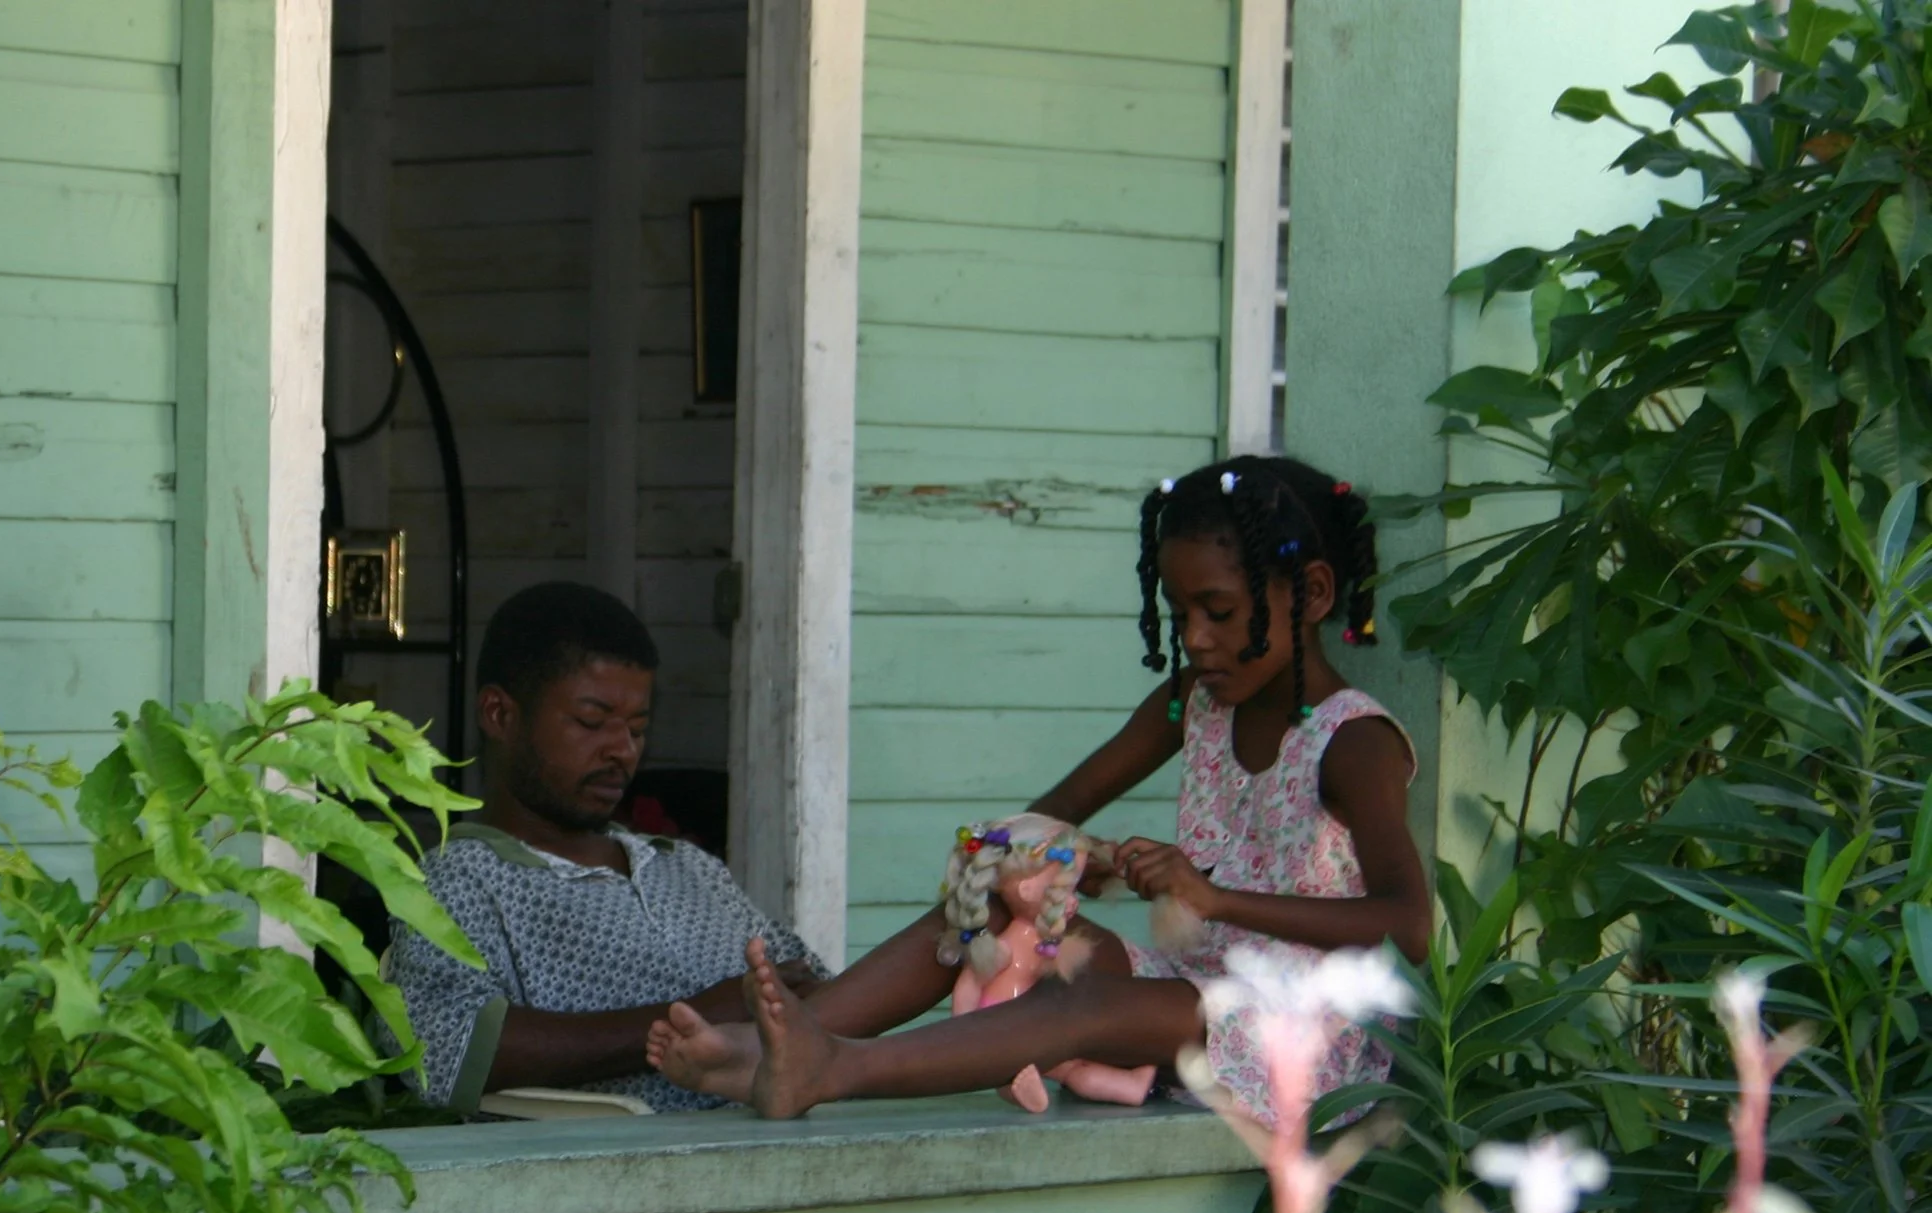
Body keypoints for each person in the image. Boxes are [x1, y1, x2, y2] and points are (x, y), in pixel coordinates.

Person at [648, 454, 1431, 1127]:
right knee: (990, 897)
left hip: (1300, 1030)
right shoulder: (1193, 701)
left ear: (1314, 593)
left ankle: (835, 1068)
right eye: (1180, 611)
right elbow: (1053, 812)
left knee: (1073, 1001)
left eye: (1219, 611)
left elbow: (1409, 925)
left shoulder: (1352, 740)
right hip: (1194, 990)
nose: (1195, 637)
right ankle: (775, 1046)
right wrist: (1053, 854)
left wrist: (1216, 898)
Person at [385, 580, 826, 1113]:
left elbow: (811, 992)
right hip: (634, 1157)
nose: (623, 751)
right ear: (499, 714)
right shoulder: (457, 879)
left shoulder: (687, 868)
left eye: (637, 729)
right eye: (591, 722)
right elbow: (443, 1052)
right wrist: (696, 1014)